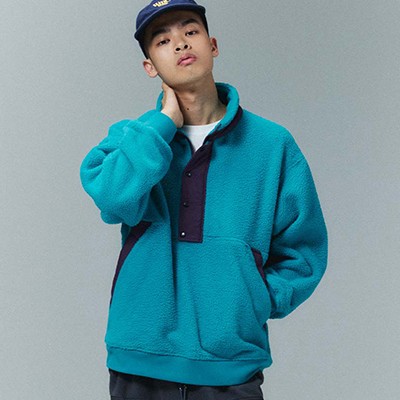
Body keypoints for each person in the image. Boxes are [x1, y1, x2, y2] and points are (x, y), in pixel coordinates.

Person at [79, 0, 329, 398]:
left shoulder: (272, 144)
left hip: (231, 363)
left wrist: (251, 300)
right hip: (139, 359)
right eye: (163, 40)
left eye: (190, 31)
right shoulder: (134, 139)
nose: (180, 43)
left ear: (212, 46)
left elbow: (304, 250)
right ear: (149, 66)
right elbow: (112, 198)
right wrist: (162, 124)